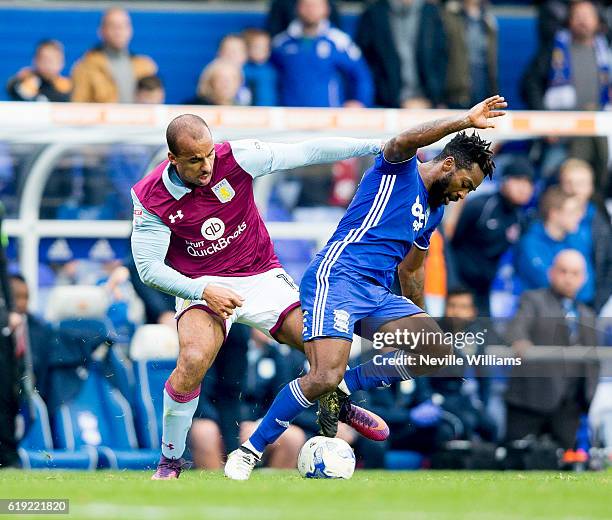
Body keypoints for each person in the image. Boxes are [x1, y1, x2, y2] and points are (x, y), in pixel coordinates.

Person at [227, 95, 508, 480]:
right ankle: (250, 449)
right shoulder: (399, 169)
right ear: (447, 164)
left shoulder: (434, 210)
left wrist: (419, 318)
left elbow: (411, 271)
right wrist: (464, 121)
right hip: (337, 277)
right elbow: (403, 139)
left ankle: (345, 389)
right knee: (322, 375)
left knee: (437, 352)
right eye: (465, 183)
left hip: (375, 293)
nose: (464, 194)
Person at [131, 114, 389, 479]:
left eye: (208, 155)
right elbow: (148, 269)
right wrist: (202, 290)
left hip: (261, 274)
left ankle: (338, 400)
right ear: (173, 159)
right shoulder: (150, 197)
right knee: (192, 359)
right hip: (201, 281)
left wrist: (376, 146)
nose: (207, 166)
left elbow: (306, 150)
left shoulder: (237, 157)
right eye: (194, 160)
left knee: (326, 348)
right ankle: (170, 462)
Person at [505, 249, 599, 451]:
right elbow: (517, 327)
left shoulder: (587, 314)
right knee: (517, 462)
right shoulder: (533, 300)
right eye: (563, 271)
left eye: (575, 273)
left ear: (583, 279)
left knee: (563, 467)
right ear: (551, 273)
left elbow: (594, 361)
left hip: (569, 406)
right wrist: (520, 341)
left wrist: (589, 396)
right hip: (529, 402)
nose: (568, 278)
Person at [450, 156, 535, 314]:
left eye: (529, 182)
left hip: (485, 287)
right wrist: (452, 281)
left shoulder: (520, 220)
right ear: (504, 181)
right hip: (459, 283)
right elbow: (453, 242)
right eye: (518, 180)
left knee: (483, 334)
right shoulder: (481, 206)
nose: (524, 188)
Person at [271, 0, 374, 107]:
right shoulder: (281, 43)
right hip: (289, 115)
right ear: (297, 8)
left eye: (316, 6)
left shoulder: (340, 41)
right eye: (306, 5)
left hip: (328, 115)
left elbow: (361, 74)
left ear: (326, 9)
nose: (311, 10)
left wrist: (360, 101)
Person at [355, 0, 447, 108]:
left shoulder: (431, 13)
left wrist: (433, 99)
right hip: (386, 104)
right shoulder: (374, 13)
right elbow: (365, 63)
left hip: (427, 102)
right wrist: (391, 100)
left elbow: (441, 59)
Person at [514, 185, 594, 305]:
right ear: (554, 214)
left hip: (574, 310)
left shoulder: (577, 240)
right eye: (572, 212)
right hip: (538, 312)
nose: (579, 216)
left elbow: (588, 287)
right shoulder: (530, 244)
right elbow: (546, 282)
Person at [558, 158, 612, 313]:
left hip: (588, 305)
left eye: (581, 183)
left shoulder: (600, 222)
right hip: (550, 305)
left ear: (590, 187)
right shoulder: (548, 218)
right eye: (569, 183)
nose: (574, 189)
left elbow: (608, 265)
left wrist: (595, 306)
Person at [71, 7, 157, 103]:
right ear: (101, 31)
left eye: (123, 26)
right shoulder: (85, 67)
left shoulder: (145, 66)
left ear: (130, 30)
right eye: (113, 26)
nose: (118, 31)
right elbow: (78, 106)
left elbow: (156, 102)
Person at [442, 0, 498, 108]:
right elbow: (440, 58)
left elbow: (492, 63)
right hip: (456, 93)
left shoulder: (488, 20)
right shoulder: (448, 16)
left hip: (482, 88)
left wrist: (494, 93)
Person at [6, 39, 72, 102]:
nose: (49, 64)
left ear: (62, 62)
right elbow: (13, 90)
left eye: (53, 60)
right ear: (35, 60)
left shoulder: (68, 87)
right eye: (45, 60)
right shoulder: (27, 81)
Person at [243, 28, 278, 106]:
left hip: (271, 109)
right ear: (247, 49)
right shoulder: (244, 70)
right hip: (253, 112)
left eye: (265, 47)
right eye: (256, 47)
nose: (261, 51)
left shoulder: (272, 70)